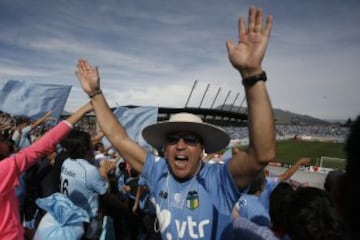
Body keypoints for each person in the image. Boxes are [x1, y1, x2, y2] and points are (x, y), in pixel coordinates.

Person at [76, 5, 275, 239]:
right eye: (173, 139)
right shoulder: (159, 172)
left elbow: (262, 153)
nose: (180, 145)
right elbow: (119, 139)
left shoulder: (218, 180)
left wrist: (252, 75)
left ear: (202, 148)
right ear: (165, 148)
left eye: (190, 139)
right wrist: (95, 95)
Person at [0, 102, 93, 240]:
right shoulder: (3, 170)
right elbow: (41, 146)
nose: (6, 142)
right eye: (1, 139)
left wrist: (21, 229)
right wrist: (81, 111)